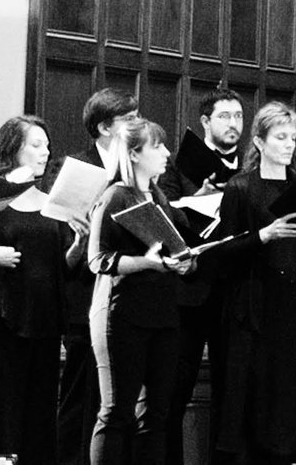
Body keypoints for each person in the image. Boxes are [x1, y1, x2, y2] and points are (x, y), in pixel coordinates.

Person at [211, 102, 296, 465]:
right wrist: (263, 236)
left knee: (291, 397)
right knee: (254, 394)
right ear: (259, 141)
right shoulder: (241, 188)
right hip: (254, 306)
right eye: (280, 137)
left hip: (295, 305)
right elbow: (223, 252)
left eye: (293, 137)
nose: (289, 144)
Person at [88, 119, 199, 465]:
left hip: (162, 313)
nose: (167, 153)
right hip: (121, 314)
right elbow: (97, 259)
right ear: (134, 154)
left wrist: (186, 264)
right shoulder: (115, 195)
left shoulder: (160, 196)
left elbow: (179, 251)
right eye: (157, 146)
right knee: (117, 413)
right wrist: (145, 263)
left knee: (155, 416)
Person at [0, 115, 74, 465]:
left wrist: (83, 239)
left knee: (40, 415)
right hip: (4, 321)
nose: (45, 152)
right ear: (13, 149)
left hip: (45, 323)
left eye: (47, 146)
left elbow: (67, 265)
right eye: (36, 145)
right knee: (2, 412)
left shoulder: (53, 203)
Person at [161, 85, 245, 465]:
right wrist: (199, 200)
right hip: (188, 291)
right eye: (225, 116)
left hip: (235, 291)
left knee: (233, 393)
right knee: (175, 389)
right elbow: (162, 218)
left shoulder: (252, 168)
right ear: (205, 122)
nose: (233, 124)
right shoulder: (177, 168)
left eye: (239, 116)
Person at [60, 87, 141, 465]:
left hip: (125, 302)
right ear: (106, 127)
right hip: (83, 299)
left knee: (117, 402)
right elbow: (64, 244)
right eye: (129, 119)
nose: (137, 124)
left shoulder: (135, 169)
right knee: (81, 401)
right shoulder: (78, 166)